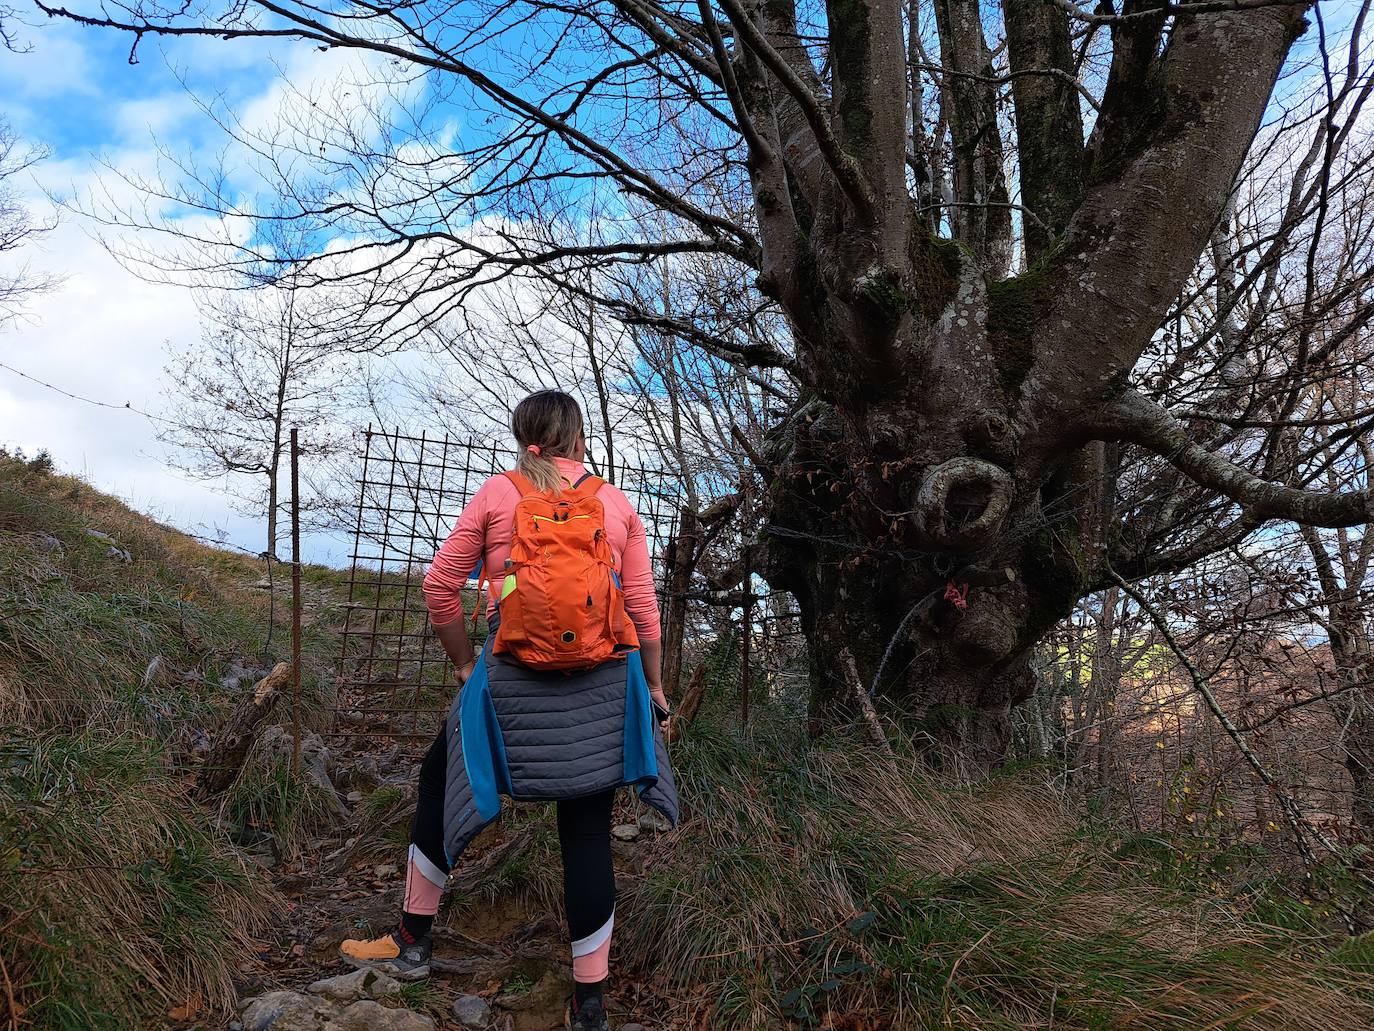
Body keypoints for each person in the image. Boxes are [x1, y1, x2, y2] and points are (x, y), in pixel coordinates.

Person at [339, 390, 678, 1031]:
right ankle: (590, 1005)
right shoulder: (614, 504)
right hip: (604, 688)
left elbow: (440, 585)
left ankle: (412, 944)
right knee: (586, 833)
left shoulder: (499, 494)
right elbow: (641, 603)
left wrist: (468, 665)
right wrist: (654, 685)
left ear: (523, 437)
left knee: (440, 784)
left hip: (507, 683)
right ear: (579, 438)